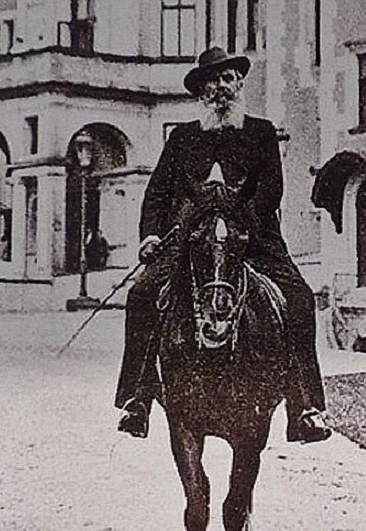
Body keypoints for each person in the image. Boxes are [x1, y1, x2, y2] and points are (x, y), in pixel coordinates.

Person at [115, 46, 332, 443]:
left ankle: (304, 408)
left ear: (240, 84)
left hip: (253, 239)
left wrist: (238, 221)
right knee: (142, 295)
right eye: (211, 82)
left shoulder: (260, 133)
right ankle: (138, 398)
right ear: (201, 93)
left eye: (227, 79)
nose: (219, 88)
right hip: (189, 241)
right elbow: (158, 192)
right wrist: (151, 235)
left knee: (299, 298)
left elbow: (271, 190)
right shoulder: (182, 138)